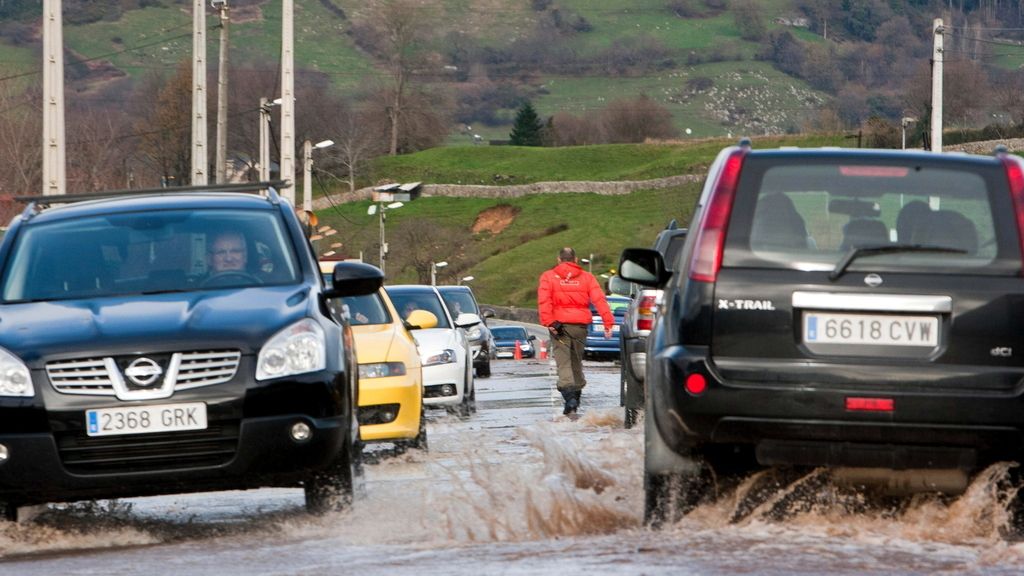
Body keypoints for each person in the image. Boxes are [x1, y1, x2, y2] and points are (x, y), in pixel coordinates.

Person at [537, 246, 613, 418]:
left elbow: (544, 302)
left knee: (563, 363)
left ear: (559, 260)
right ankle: (576, 400)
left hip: (559, 327)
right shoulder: (587, 278)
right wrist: (608, 322)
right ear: (576, 260)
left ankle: (570, 399)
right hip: (579, 327)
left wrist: (549, 322)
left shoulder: (548, 277)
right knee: (576, 361)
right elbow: (599, 300)